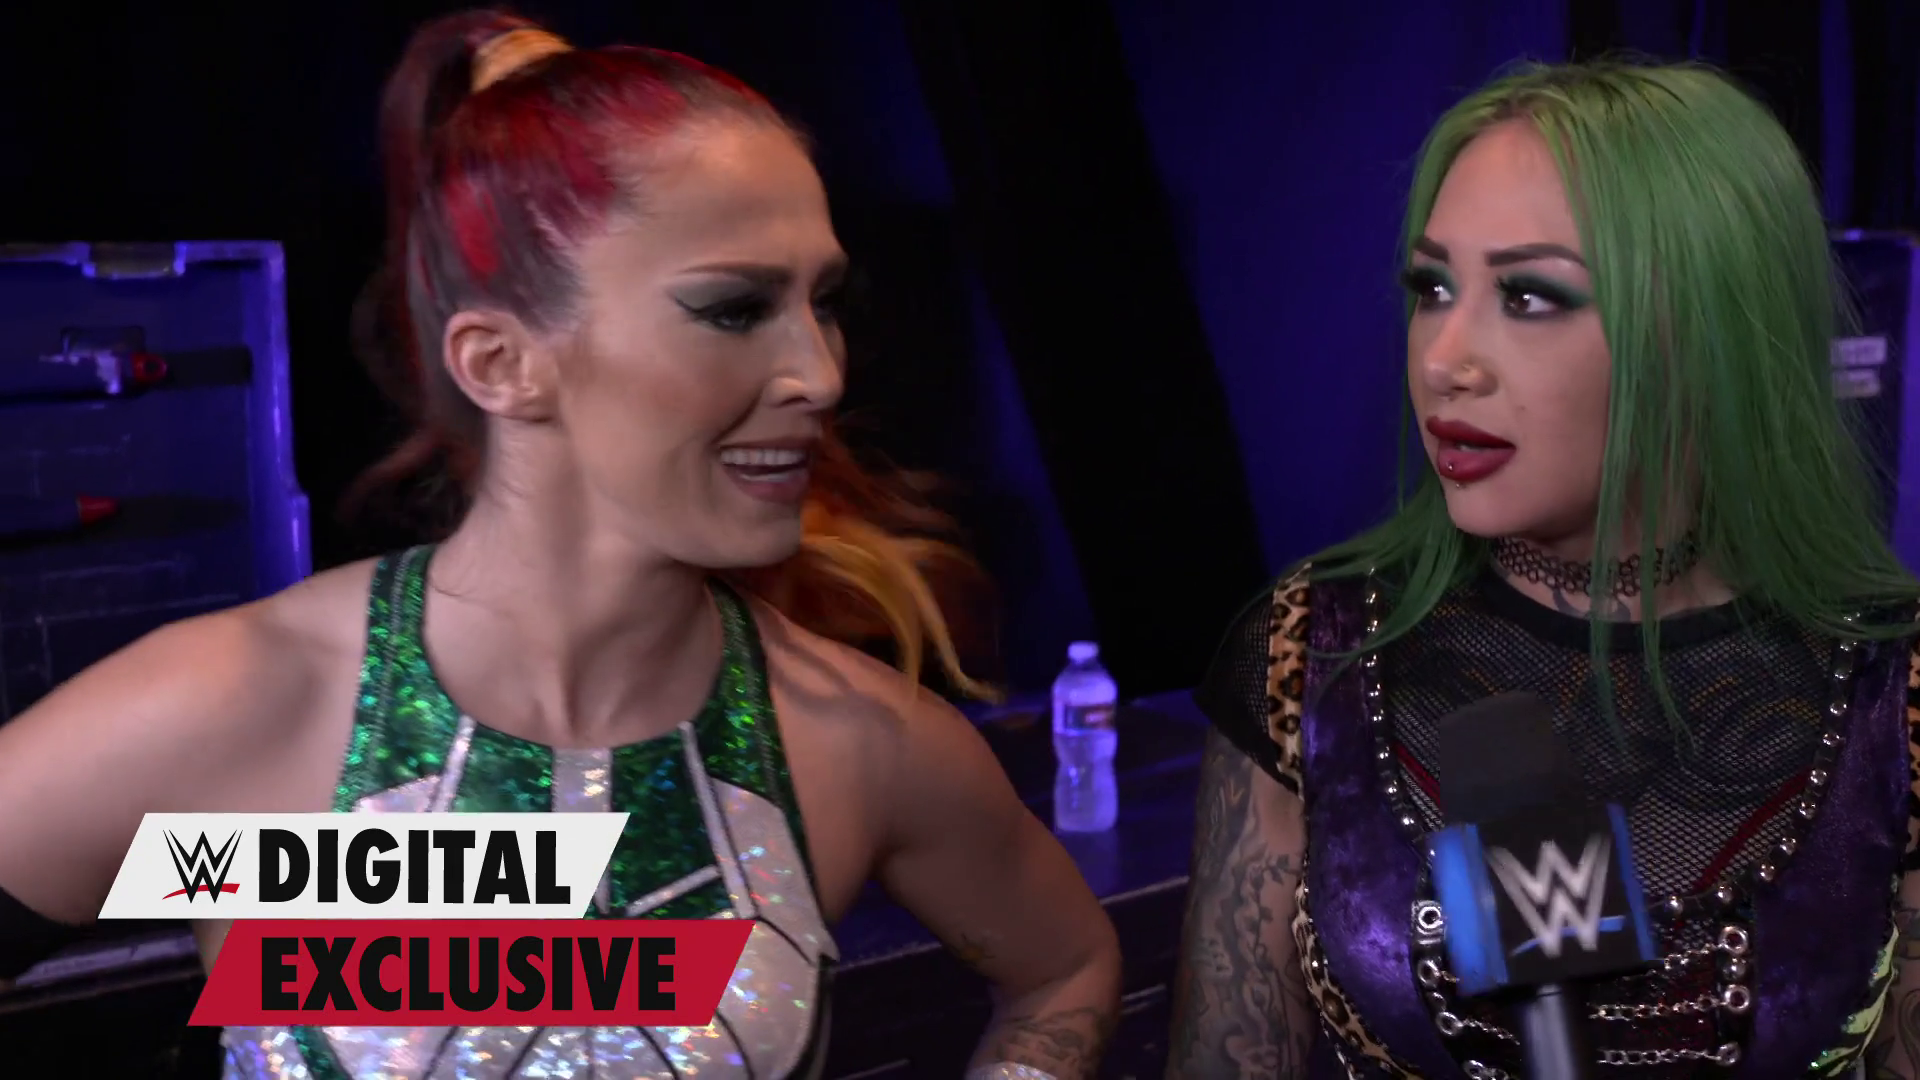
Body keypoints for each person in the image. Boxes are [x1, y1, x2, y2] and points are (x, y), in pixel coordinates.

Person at [0, 11, 1120, 1079]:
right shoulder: (244, 715)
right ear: (501, 363)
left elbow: (1063, 970)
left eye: (822, 303)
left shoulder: (855, 744)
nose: (821, 374)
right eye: (734, 309)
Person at [1167, 59, 1920, 1078]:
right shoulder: (1311, 656)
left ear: (1706, 335)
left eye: (1528, 295)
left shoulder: (1892, 691)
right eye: (1433, 287)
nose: (1445, 360)